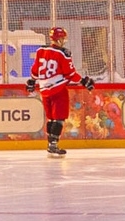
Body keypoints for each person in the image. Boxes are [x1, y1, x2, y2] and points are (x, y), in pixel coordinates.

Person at [26, 27, 93, 158]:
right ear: (60, 39)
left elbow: (35, 69)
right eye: (63, 38)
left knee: (51, 118)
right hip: (58, 89)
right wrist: (83, 81)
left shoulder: (41, 50)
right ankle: (53, 145)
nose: (64, 40)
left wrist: (32, 81)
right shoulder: (63, 53)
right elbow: (70, 74)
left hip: (44, 89)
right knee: (59, 118)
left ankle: (50, 144)